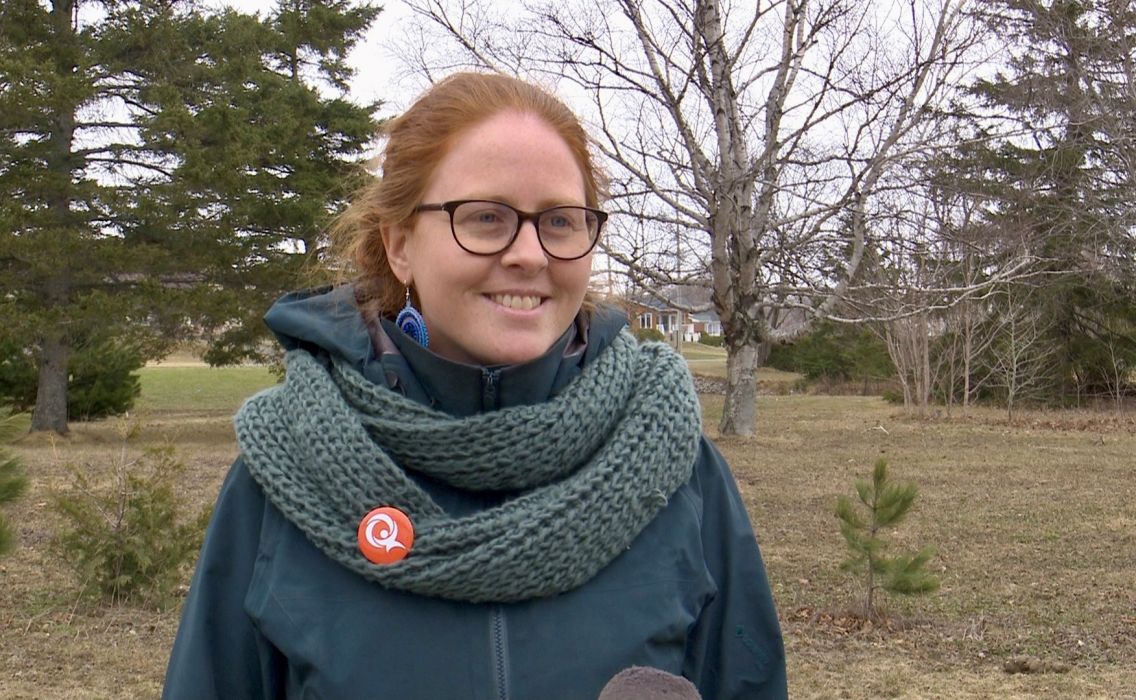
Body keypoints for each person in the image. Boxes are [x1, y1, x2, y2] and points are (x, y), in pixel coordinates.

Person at [162, 72, 787, 700]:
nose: (530, 254)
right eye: (487, 218)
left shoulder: (674, 466)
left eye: (562, 222)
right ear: (400, 244)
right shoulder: (286, 470)